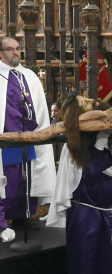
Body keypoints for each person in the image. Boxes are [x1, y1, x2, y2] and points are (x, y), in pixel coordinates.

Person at [45, 92, 112, 274]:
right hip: (86, 216)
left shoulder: (107, 138)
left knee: (110, 263)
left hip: (108, 216)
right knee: (87, 265)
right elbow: (87, 171)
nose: (90, 101)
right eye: (83, 103)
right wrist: (99, 147)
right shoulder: (76, 145)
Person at [0, 37, 57, 243]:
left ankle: (25, 215)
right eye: (10, 49)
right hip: (8, 140)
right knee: (11, 179)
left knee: (28, 179)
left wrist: (38, 132)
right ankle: (6, 218)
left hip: (30, 137)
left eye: (17, 48)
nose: (16, 52)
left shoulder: (29, 76)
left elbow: (39, 109)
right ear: (1, 53)